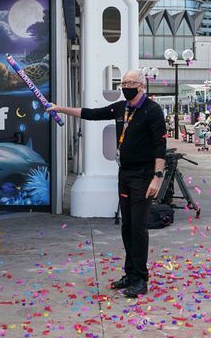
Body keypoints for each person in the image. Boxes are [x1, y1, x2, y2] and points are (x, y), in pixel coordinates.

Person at [47, 70, 166, 298]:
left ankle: (141, 278)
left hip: (144, 175)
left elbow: (160, 145)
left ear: (142, 85)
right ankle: (130, 274)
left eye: (131, 82)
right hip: (125, 174)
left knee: (139, 228)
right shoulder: (122, 108)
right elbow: (91, 113)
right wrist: (60, 109)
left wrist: (157, 177)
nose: (127, 86)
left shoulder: (152, 110)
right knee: (127, 226)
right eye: (123, 82)